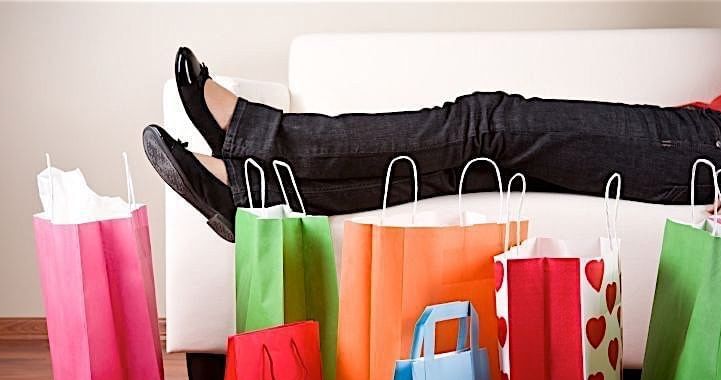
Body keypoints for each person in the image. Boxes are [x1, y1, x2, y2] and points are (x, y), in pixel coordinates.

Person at [143, 47, 721, 242]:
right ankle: (252, 191)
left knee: (487, 123)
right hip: (694, 131)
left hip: (705, 149)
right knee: (464, 162)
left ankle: (252, 134)